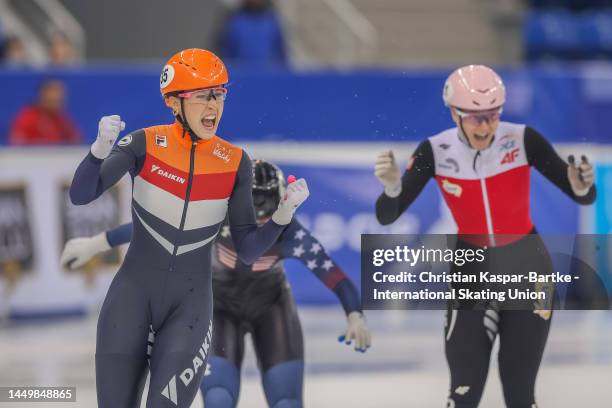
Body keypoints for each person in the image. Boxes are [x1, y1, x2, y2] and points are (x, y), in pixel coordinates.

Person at [68, 48, 309, 408]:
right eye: (203, 96)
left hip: (190, 312)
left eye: (220, 94)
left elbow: (246, 249)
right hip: (129, 304)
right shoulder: (143, 144)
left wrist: (282, 215)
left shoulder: (235, 162)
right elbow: (81, 194)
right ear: (174, 102)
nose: (214, 106)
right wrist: (98, 150)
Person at [61, 159, 371, 408]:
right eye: (251, 220)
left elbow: (334, 276)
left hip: (271, 308)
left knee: (286, 401)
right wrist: (96, 243)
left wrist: (355, 313)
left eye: (269, 220)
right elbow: (155, 229)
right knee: (219, 396)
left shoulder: (292, 233)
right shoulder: (218, 215)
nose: (259, 231)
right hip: (219, 307)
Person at [374, 65, 596, 408]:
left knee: (520, 393)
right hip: (472, 270)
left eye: (493, 115)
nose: (486, 126)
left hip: (527, 267)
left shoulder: (523, 139)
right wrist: (392, 188)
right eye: (475, 117)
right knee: (463, 391)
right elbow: (387, 215)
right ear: (454, 114)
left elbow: (581, 194)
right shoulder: (435, 150)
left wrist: (583, 184)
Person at [9, 79, 82, 145]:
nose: (56, 102)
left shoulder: (63, 120)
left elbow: (75, 143)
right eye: (52, 100)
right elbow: (17, 145)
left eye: (59, 100)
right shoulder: (27, 118)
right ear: (42, 96)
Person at [220, 0, 286, 66]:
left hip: (268, 73)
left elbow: (281, 56)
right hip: (239, 73)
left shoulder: (272, 21)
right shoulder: (233, 21)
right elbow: (224, 53)